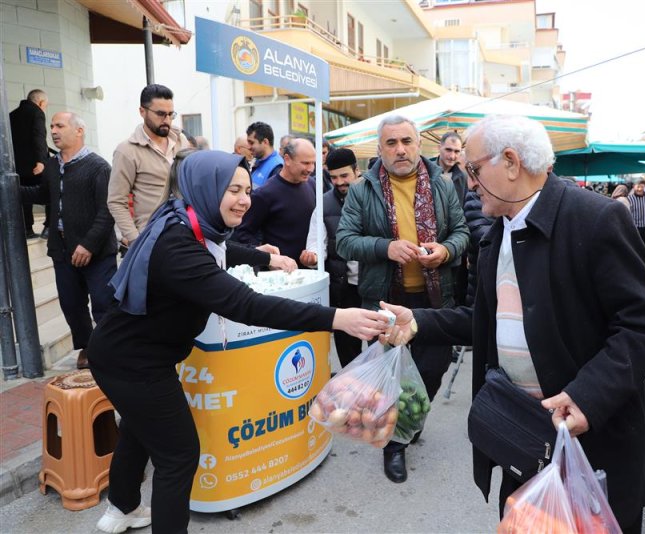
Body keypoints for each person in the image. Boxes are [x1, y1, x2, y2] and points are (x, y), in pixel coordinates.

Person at [380, 114, 645, 534]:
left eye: (475, 169)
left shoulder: (595, 218)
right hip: (524, 435)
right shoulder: (497, 233)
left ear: (511, 163)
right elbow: (485, 320)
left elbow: (644, 323)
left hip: (593, 440)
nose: (471, 181)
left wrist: (588, 395)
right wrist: (419, 322)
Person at [87, 150, 387, 534]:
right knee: (179, 455)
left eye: (248, 189)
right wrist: (336, 318)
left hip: (129, 354)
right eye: (233, 190)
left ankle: (121, 509)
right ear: (208, 188)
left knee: (138, 430)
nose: (245, 199)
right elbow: (245, 304)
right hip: (133, 364)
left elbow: (222, 251)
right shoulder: (179, 247)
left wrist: (265, 259)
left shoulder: (185, 219)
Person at [336, 115, 469, 484]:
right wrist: (385, 247)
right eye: (391, 143)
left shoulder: (441, 185)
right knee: (389, 381)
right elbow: (344, 240)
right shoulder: (364, 189)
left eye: (406, 141)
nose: (400, 149)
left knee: (430, 371)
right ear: (380, 149)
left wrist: (444, 251)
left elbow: (462, 232)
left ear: (419, 145)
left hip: (433, 299)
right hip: (385, 301)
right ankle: (394, 445)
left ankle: (412, 417)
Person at [19, 112, 117, 370]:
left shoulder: (99, 167)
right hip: (62, 250)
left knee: (103, 303)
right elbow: (43, 194)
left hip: (96, 252)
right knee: (72, 305)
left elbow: (107, 211)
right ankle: (86, 347)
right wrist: (11, 188)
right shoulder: (52, 165)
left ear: (79, 131)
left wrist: (88, 245)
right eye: (52, 126)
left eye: (59, 125)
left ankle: (107, 350)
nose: (53, 131)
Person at [299, 148, 363, 368]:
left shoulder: (377, 197)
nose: (338, 182)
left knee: (379, 348)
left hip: (375, 286)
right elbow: (317, 243)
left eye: (344, 176)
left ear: (357, 171)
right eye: (333, 177)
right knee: (348, 353)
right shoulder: (324, 203)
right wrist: (312, 257)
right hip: (343, 288)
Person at [108, 84, 189, 248]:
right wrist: (134, 240)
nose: (166, 119)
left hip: (188, 231)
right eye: (160, 114)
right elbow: (116, 201)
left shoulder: (181, 141)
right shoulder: (127, 151)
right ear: (142, 112)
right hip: (153, 238)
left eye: (170, 114)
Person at [232, 138, 317, 263]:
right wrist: (267, 259)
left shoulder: (312, 185)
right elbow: (243, 233)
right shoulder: (265, 194)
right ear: (287, 159)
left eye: (313, 163)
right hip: (280, 276)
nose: (311, 169)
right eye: (305, 163)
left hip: (310, 272)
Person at [433, 131, 469, 308]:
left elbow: (463, 215)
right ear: (439, 147)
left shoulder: (463, 179)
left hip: (451, 247)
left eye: (457, 151)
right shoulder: (426, 171)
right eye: (448, 150)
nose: (452, 155)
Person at [10, 89, 49, 239]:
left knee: (24, 195)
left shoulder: (11, 115)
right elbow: (39, 137)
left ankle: (27, 229)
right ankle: (49, 227)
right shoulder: (37, 112)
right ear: (41, 102)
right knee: (52, 189)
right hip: (35, 165)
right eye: (45, 105)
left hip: (17, 165)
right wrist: (41, 161)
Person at [247, 122, 282, 187]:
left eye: (251, 143)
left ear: (265, 142)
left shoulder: (277, 168)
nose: (248, 147)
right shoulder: (258, 161)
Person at [628, 178, 645, 250]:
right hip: (636, 228)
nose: (640, 189)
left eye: (642, 186)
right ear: (634, 186)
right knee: (637, 248)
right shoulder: (629, 199)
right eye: (638, 187)